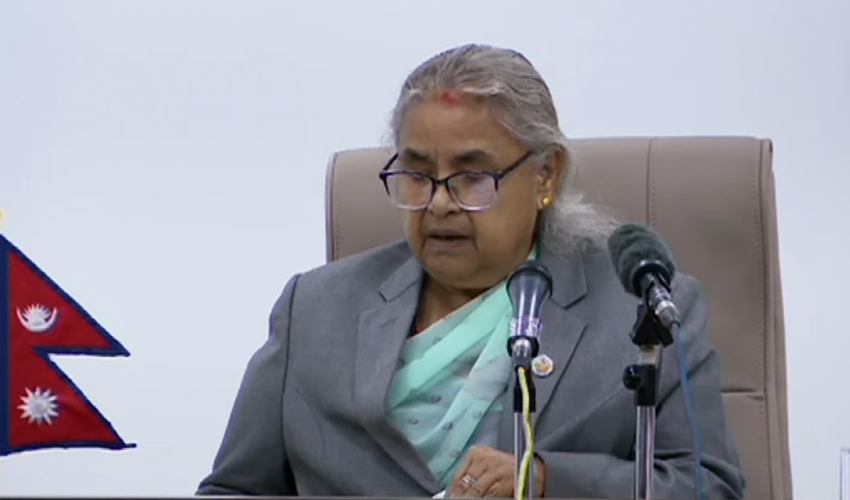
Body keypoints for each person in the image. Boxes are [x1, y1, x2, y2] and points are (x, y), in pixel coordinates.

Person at [196, 43, 745, 499]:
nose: (439, 204)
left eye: (472, 178)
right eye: (417, 175)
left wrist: (544, 481)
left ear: (546, 175)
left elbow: (709, 487)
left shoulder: (639, 311)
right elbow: (232, 490)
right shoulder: (314, 310)